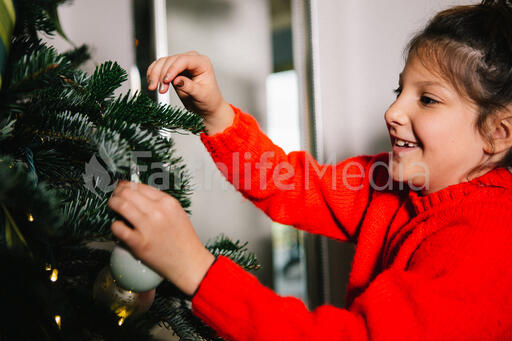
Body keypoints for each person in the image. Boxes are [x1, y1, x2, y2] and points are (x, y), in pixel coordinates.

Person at [108, 1, 512, 339]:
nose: (392, 112)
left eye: (427, 99)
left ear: (498, 131)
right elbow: (292, 185)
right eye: (398, 91)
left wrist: (195, 270)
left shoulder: (488, 244)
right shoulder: (388, 182)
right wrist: (216, 116)